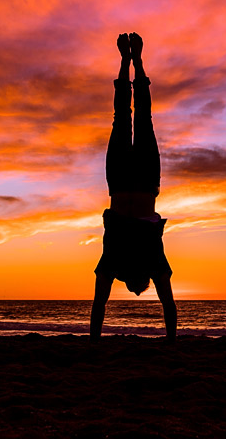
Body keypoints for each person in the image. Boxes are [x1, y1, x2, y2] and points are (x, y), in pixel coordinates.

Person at [90, 32, 177, 342]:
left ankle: (129, 61)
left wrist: (93, 342)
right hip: (140, 182)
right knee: (140, 120)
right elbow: (168, 303)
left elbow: (100, 302)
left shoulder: (116, 262)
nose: (139, 285)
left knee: (125, 119)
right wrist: (172, 342)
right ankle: (135, 61)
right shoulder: (152, 261)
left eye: (136, 287)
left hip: (123, 181)